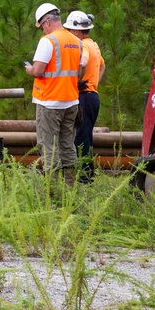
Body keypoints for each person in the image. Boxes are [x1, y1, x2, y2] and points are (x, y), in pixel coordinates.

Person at [24, 3, 87, 174]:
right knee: (67, 146)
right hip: (71, 101)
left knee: (48, 146)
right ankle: (69, 188)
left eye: (42, 26)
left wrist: (29, 69)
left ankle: (53, 192)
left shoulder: (48, 41)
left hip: (49, 102)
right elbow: (79, 73)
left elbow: (38, 71)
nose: (43, 30)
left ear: (47, 22)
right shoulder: (77, 42)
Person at [65, 10, 106, 183]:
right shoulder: (93, 44)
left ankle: (85, 178)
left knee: (81, 138)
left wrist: (77, 81)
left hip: (84, 96)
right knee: (86, 136)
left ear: (76, 31)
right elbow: (103, 66)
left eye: (69, 30)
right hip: (92, 96)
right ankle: (87, 175)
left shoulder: (84, 46)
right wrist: (93, 83)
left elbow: (82, 62)